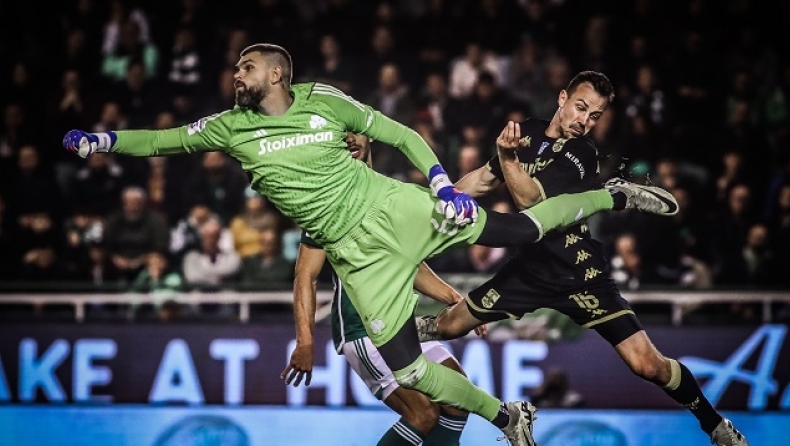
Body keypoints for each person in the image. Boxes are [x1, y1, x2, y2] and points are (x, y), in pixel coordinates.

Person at [63, 43, 677, 446]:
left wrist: (441, 183)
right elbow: (163, 140)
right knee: (412, 373)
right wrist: (104, 141)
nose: (236, 74)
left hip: (391, 206)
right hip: (357, 258)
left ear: (276, 73)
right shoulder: (230, 128)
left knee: (520, 228)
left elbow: (399, 132)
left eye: (246, 66)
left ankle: (612, 196)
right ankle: (507, 416)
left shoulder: (323, 101)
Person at [416, 71, 748, 446]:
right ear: (562, 98)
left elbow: (530, 201)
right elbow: (481, 180)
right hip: (530, 271)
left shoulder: (583, 155)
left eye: (595, 116)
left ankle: (715, 425)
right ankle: (391, 334)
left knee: (646, 365)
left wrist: (508, 156)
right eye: (580, 107)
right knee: (447, 326)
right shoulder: (530, 131)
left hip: (580, 273)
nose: (584, 121)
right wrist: (432, 203)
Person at [282, 132, 475, 446]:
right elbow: (305, 275)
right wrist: (305, 342)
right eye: (340, 135)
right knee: (422, 415)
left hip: (400, 321)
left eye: (354, 131)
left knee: (458, 397)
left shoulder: (388, 192)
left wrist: (453, 298)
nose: (349, 140)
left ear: (370, 136)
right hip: (362, 328)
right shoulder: (326, 202)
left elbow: (405, 262)